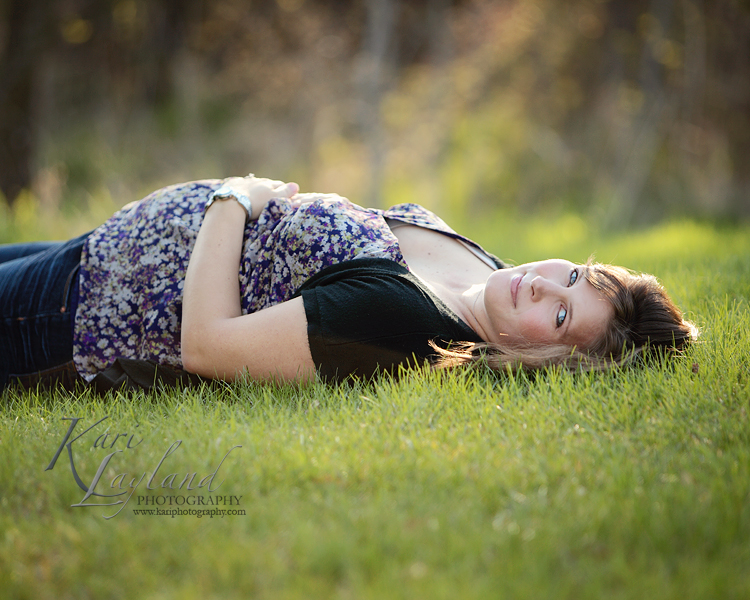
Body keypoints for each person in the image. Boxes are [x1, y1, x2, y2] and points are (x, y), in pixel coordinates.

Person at [0, 175, 697, 391]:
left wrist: (232, 199)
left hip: (76, 311)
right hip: (100, 249)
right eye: (570, 274)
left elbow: (207, 346)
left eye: (560, 316)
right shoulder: (488, 273)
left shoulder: (401, 316)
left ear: (549, 357)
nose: (541, 286)